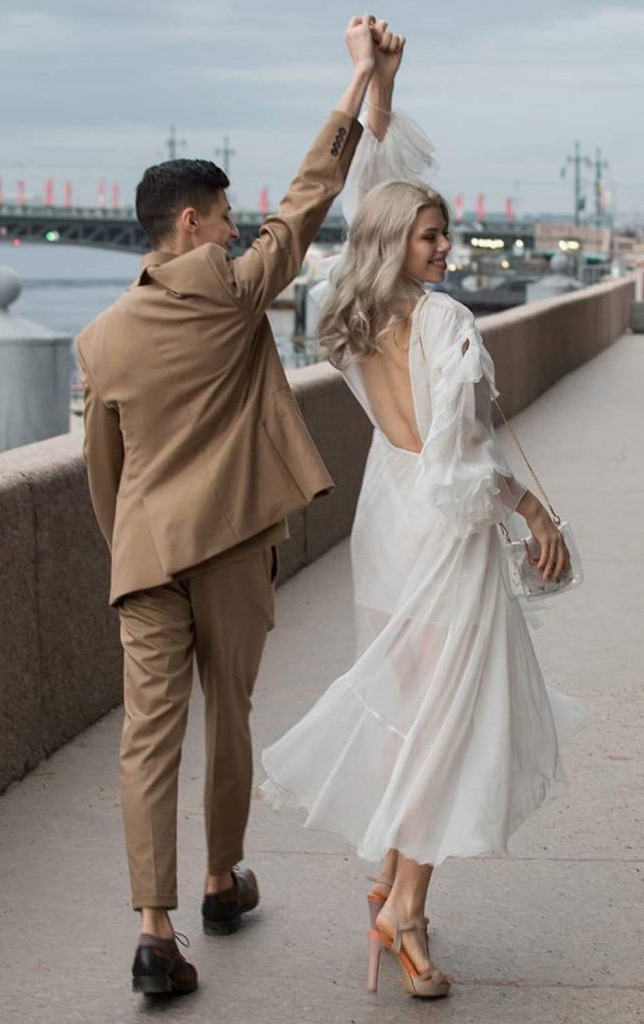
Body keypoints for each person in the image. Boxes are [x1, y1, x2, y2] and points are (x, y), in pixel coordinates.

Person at [76, 14, 396, 996]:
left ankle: (153, 929)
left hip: (140, 554)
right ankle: (220, 879)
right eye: (221, 215)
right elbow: (307, 201)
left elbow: (102, 467)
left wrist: (131, 545)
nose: (233, 225)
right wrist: (355, 84)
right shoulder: (228, 286)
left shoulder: (100, 339)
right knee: (229, 717)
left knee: (146, 735)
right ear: (190, 225)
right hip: (228, 548)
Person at [260, 43, 586, 1001]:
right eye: (431, 237)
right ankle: (402, 907)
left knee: (423, 721)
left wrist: (376, 84)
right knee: (448, 727)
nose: (446, 249)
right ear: (398, 242)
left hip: (386, 518)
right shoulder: (442, 323)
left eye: (445, 235)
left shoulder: (348, 310)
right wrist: (531, 510)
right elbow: (461, 462)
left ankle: (399, 899)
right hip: (441, 534)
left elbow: (378, 180)